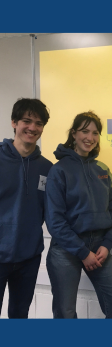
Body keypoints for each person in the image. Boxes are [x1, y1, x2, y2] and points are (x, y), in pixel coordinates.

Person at [45, 111, 112, 318]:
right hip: (66, 251)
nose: (90, 138)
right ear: (73, 134)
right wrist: (83, 252)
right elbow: (55, 221)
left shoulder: (103, 170)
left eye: (95, 133)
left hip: (100, 248)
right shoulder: (59, 171)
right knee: (65, 315)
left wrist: (107, 243)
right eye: (84, 131)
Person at [0, 98, 52, 318]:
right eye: (26, 121)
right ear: (14, 122)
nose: (32, 128)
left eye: (38, 123)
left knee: (20, 315)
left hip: (29, 257)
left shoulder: (47, 168)